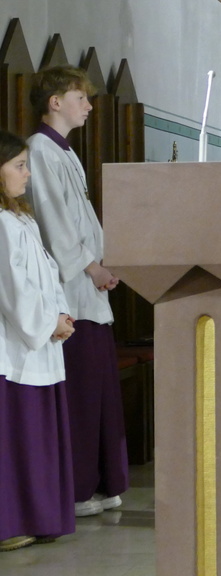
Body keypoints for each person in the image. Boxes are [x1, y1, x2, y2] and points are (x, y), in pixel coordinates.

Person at [25, 67, 126, 518]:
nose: (88, 106)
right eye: (80, 98)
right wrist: (91, 266)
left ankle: (104, 482)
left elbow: (84, 220)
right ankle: (78, 489)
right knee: (81, 395)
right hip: (71, 291)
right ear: (55, 102)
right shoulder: (39, 150)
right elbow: (55, 222)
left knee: (99, 391)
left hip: (90, 287)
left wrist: (106, 263)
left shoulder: (65, 152)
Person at [0, 130, 76, 552]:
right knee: (15, 441)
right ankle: (10, 522)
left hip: (41, 345)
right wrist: (48, 323)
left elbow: (47, 275)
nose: (27, 174)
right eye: (18, 165)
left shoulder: (21, 219)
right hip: (14, 351)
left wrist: (61, 316)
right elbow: (14, 290)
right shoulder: (0, 223)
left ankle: (40, 516)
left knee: (37, 442)